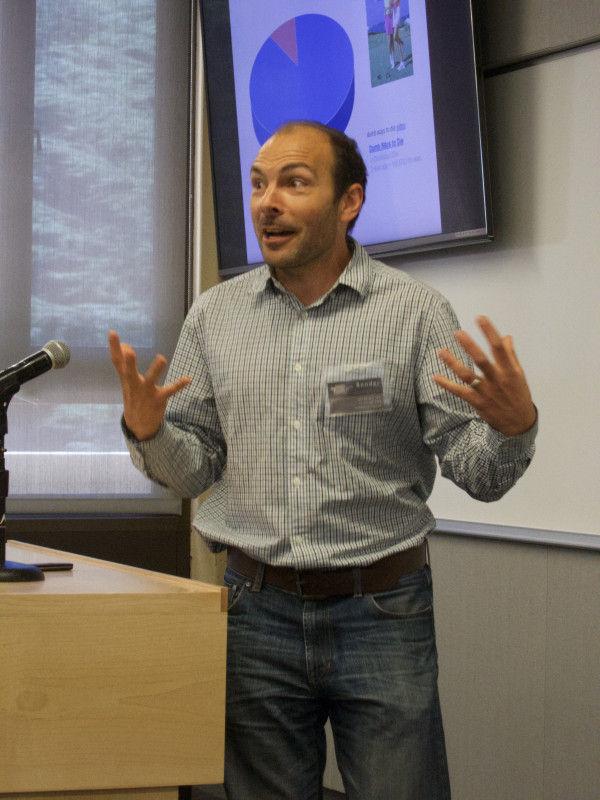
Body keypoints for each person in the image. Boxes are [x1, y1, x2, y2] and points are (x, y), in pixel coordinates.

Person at [109, 120, 537, 800]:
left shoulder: (416, 313)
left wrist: (514, 430)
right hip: (254, 613)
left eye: (293, 183)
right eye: (257, 184)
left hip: (383, 611)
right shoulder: (214, 317)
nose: (266, 202)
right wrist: (149, 431)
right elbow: (192, 472)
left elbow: (479, 474)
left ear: (349, 202)